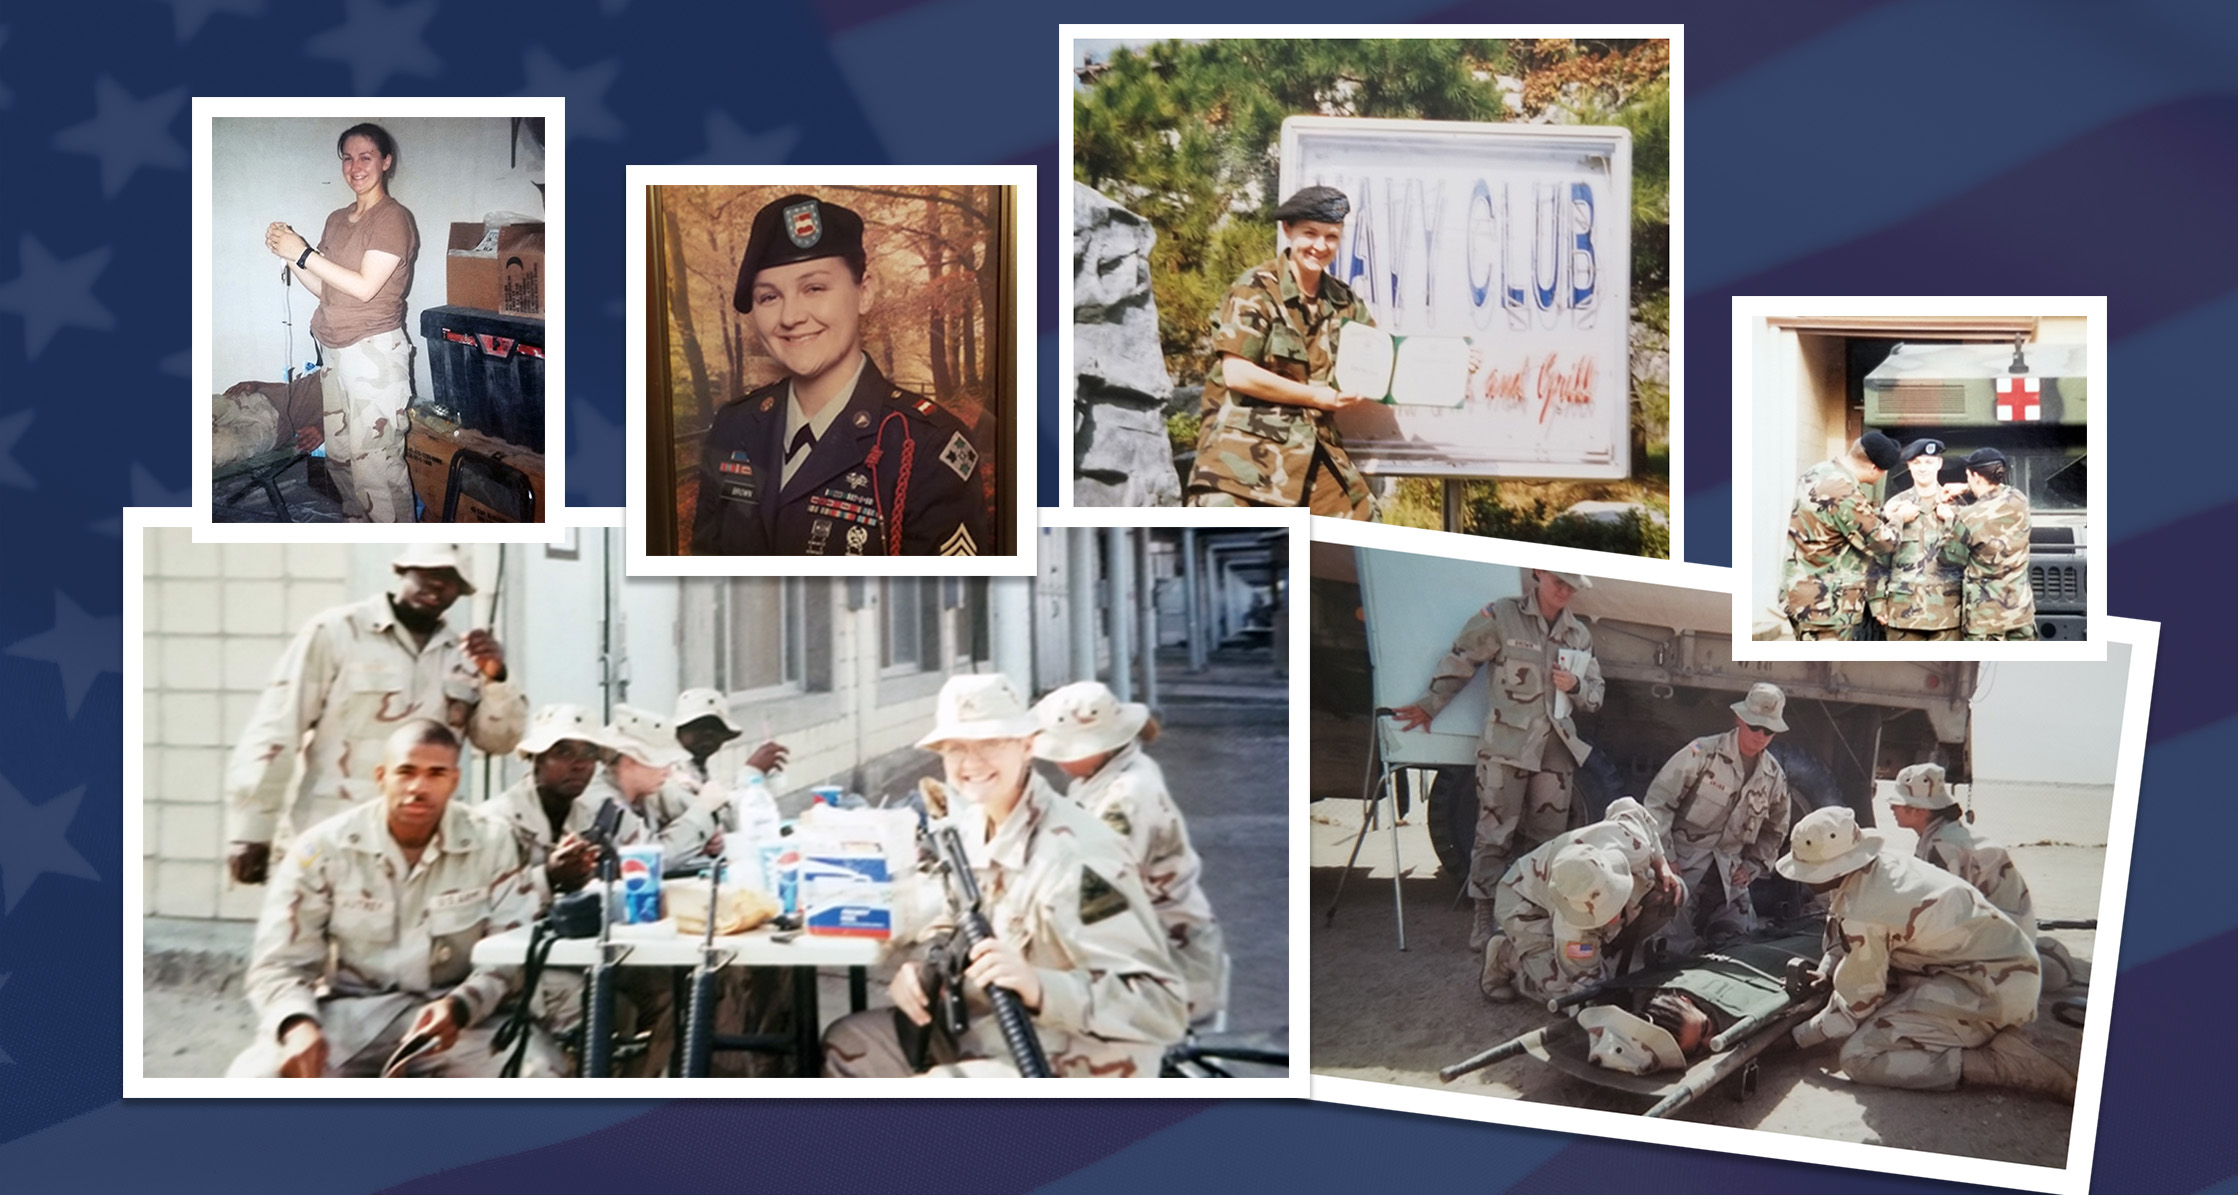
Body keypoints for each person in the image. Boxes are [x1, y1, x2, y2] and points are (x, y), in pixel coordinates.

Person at [822, 675, 1187, 1077]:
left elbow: (1161, 1005)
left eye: (992, 743)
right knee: (853, 1044)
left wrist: (1040, 986)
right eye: (956, 748)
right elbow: (953, 915)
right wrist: (922, 965)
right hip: (986, 1027)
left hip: (1074, 1056)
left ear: (1028, 745)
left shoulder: (1078, 859)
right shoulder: (974, 825)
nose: (972, 763)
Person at [227, 720, 560, 1077]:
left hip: (461, 1022)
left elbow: (509, 956)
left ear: (454, 780)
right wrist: (297, 1025)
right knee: (255, 1079)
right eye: (406, 772)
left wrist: (461, 1006)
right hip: (354, 1019)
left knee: (540, 1073)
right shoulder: (323, 849)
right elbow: (279, 963)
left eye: (435, 774)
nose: (419, 787)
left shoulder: (493, 843)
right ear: (381, 776)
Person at [690, 193, 989, 557]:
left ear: (864, 293)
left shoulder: (927, 446)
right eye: (769, 297)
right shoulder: (734, 426)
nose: (790, 316)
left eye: (814, 288)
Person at [223, 545, 526, 886]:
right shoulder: (336, 632)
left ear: (462, 591)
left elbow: (500, 742)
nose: (438, 585)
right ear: (401, 570)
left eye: (450, 579)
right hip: (333, 835)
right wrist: (251, 830)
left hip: (421, 843)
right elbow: (277, 728)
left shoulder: (464, 657)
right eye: (427, 572)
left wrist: (496, 678)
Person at [1776, 806, 2073, 1099]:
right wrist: (1830, 969)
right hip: (1996, 968)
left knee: (1860, 1057)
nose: (1804, 879)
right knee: (1873, 1008)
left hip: (1990, 989)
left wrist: (1797, 1038)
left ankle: (2004, 1063)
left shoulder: (1867, 909)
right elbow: (1845, 929)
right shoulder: (1877, 867)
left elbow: (1857, 1002)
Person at [1390, 568, 1604, 953]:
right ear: (1539, 573)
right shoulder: (1503, 615)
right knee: (1494, 835)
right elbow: (1463, 658)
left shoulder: (1579, 634)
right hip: (1507, 746)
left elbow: (1595, 696)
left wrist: (1576, 687)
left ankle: (1531, 917)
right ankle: (1483, 918)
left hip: (1555, 754)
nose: (1565, 591)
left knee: (1548, 844)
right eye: (1559, 581)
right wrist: (1430, 705)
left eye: (1573, 586)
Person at [1032, 680, 1229, 1028]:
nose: (1058, 760)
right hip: (1148, 943)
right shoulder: (1105, 775)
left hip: (1169, 959)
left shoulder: (1126, 796)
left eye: (1066, 750)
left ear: (1100, 746)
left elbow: (1094, 882)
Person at [1183, 185, 1376, 517]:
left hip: (1315, 453)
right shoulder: (1254, 289)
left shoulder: (1344, 301)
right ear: (1288, 230)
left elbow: (1384, 356)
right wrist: (1317, 397)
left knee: (1361, 545)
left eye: (1331, 236)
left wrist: (1450, 363)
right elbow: (1238, 373)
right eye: (1310, 233)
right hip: (1241, 465)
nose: (1320, 246)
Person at [264, 122, 421, 523]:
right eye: (347, 158)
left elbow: (366, 288)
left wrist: (303, 253)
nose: (355, 166)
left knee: (378, 468)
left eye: (366, 156)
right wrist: (290, 256)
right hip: (335, 352)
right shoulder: (337, 219)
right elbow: (325, 286)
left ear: (386, 162)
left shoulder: (394, 218)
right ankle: (358, 526)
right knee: (341, 458)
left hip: (374, 355)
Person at [1887, 763, 2086, 993]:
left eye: (1897, 803)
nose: (1891, 807)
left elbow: (1938, 915)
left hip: (2003, 946)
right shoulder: (1944, 835)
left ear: (1919, 810)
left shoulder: (1944, 846)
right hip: (2008, 934)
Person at [1478, 797, 1684, 1004]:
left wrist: (1661, 864)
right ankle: (1506, 954)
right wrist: (1605, 998)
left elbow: (1628, 806)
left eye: (1611, 906)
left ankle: (1601, 948)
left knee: (1671, 893)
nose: (1612, 918)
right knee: (1568, 997)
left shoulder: (1630, 843)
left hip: (1568, 883)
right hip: (1523, 903)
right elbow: (1587, 984)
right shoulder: (1571, 932)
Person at [1641, 683, 1794, 953]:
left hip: (1728, 876)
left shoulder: (1773, 776)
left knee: (1741, 947)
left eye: (1768, 730)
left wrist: (1752, 865)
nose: (1760, 735)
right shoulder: (1702, 753)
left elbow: (1776, 829)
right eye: (1754, 725)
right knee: (1664, 945)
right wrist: (1665, 858)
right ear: (1739, 719)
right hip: (1683, 868)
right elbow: (1658, 802)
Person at [481, 704, 611, 904]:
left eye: (589, 754)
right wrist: (548, 877)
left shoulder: (587, 820)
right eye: (564, 753)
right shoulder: (494, 822)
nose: (579, 764)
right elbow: (485, 905)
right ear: (536, 758)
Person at [1779, 431, 1901, 640]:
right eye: (1883, 471)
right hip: (1826, 607)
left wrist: (1882, 514)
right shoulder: (1845, 491)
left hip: (1801, 594)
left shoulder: (1819, 472)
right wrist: (1899, 519)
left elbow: (1834, 519)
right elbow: (1883, 543)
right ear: (1873, 467)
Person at [1869, 438, 1964, 640]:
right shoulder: (1895, 506)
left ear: (1939, 464)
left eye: (1929, 462)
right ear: (1909, 466)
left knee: (1949, 671)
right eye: (1917, 462)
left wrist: (1952, 522)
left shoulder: (1957, 506)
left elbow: (1969, 557)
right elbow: (1879, 557)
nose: (1923, 469)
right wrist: (1877, 602)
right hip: (1903, 611)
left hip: (1947, 612)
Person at [1943, 447, 2038, 641]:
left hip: (1986, 621)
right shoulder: (2019, 499)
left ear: (1975, 475)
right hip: (2020, 612)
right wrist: (1966, 488)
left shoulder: (1968, 517)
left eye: (1968, 475)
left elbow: (1949, 558)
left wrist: (1948, 519)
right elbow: (1998, 493)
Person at [214, 375, 324, 470]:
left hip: (274, 427)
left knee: (220, 450)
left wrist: (324, 429)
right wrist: (257, 385)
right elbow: (291, 387)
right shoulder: (333, 366)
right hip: (254, 399)